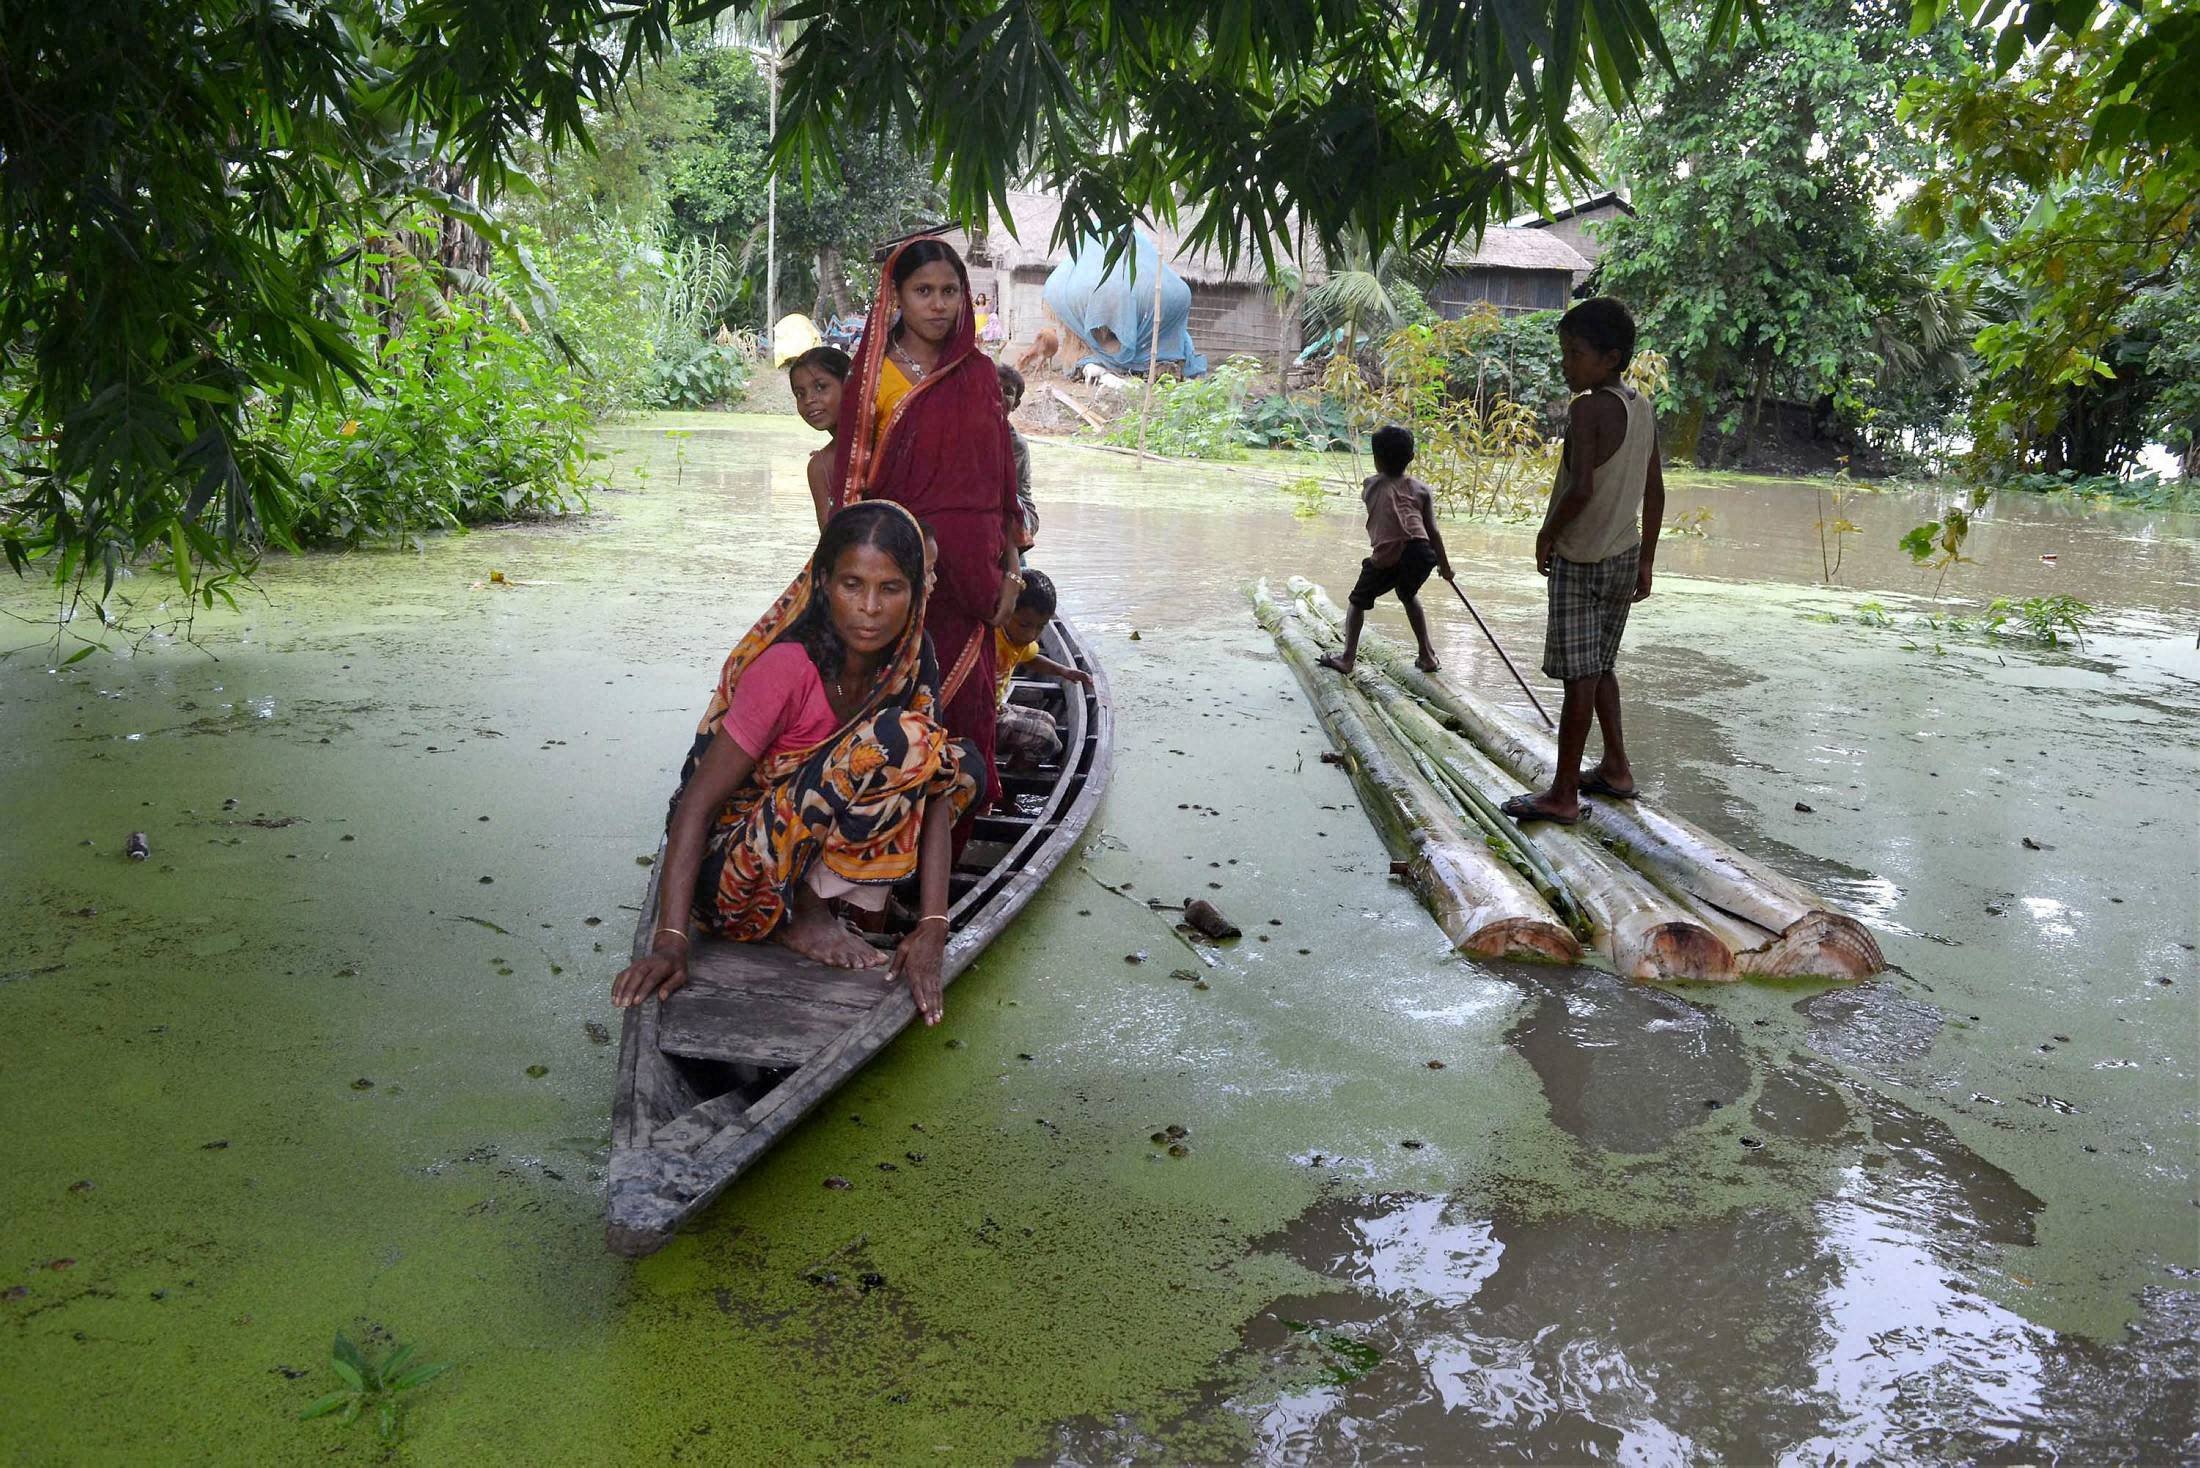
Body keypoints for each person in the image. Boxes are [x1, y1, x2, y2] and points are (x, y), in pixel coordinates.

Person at [611, 502, 979, 1026]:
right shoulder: (786, 668)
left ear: (917, 592)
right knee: (902, 740)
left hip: (803, 846)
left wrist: (934, 925)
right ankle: (803, 912)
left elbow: (936, 784)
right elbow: (694, 809)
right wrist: (670, 942)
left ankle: (847, 900)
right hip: (732, 880)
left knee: (962, 765)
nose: (870, 607)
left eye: (891, 588)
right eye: (853, 585)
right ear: (823, 582)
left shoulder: (913, 656)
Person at [831, 237, 1025, 815]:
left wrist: (1012, 570)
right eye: (923, 292)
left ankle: (947, 848)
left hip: (975, 572)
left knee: (966, 711)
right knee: (893, 709)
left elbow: (1002, 482)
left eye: (949, 291)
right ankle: (878, 851)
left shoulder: (981, 374)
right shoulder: (872, 376)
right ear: (897, 296)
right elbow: (853, 483)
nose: (938, 305)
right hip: (902, 571)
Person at [1501, 297, 1664, 826]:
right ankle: (1616, 768)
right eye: (1565, 353)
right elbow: (1655, 489)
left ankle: (1563, 795)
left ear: (1611, 357)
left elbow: (1580, 488)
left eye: (1576, 354)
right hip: (1623, 555)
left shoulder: (1588, 409)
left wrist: (1548, 533)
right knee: (1601, 667)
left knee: (1579, 677)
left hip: (1583, 557)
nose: (1567, 365)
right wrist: (1647, 560)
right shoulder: (1642, 407)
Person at [1317, 425, 1452, 677]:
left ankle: (1347, 658)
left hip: (1391, 552)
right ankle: (1427, 655)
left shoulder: (1371, 485)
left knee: (1357, 602)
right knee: (1407, 594)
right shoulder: (1422, 490)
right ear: (1411, 457)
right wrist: (1445, 566)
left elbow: (1388, 516)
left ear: (1376, 459)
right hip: (1422, 553)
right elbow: (1433, 532)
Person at [992, 569, 1092, 767]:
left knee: (1049, 720)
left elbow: (1030, 658)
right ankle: (1007, 792)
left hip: (997, 707)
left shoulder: (1018, 641)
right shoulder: (992, 641)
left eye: (1040, 627)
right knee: (1046, 740)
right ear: (1006, 608)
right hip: (982, 717)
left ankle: (1013, 772)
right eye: (1024, 625)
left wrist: (1063, 671)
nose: (1031, 635)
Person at [789, 346, 852, 529]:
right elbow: (830, 542)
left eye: (820, 387)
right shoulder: (820, 467)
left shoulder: (886, 440)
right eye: (800, 394)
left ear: (849, 384)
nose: (809, 400)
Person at [996, 362, 1039, 549]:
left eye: (1008, 392)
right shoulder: (964, 431)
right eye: (994, 387)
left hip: (1018, 512)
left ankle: (1014, 567)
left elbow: (1002, 491)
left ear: (1016, 404)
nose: (999, 394)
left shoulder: (1016, 445)